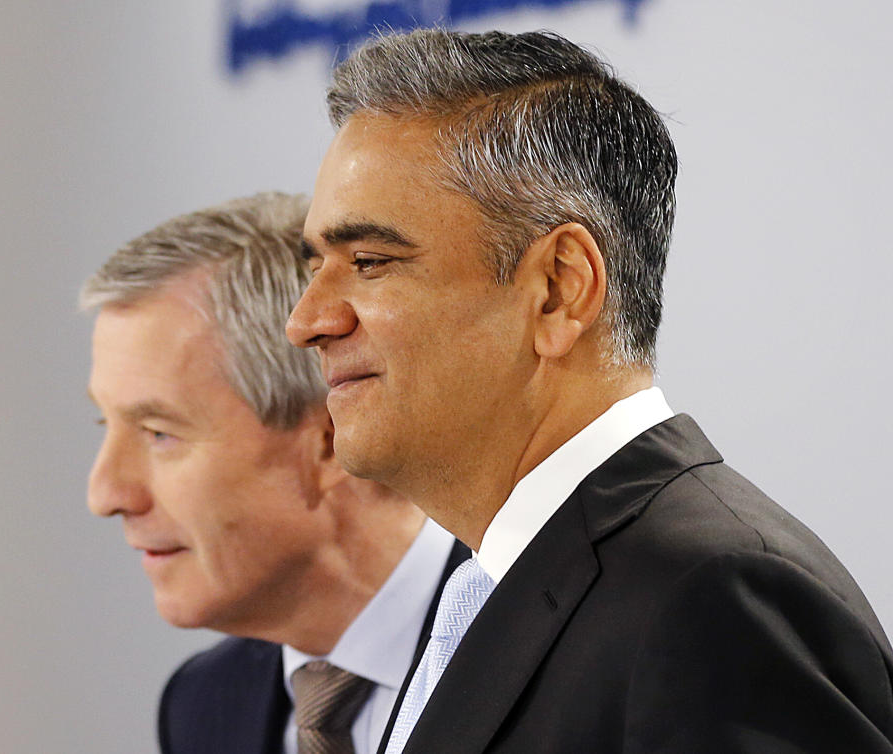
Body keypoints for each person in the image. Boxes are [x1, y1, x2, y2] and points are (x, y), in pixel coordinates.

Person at [285, 29, 893, 754]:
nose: (307, 322)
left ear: (558, 290)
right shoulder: (494, 586)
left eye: (371, 260)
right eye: (316, 264)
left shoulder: (718, 601)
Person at [81, 192, 467, 754]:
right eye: (105, 424)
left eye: (159, 433)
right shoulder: (202, 705)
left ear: (332, 442)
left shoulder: (565, 655)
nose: (105, 494)